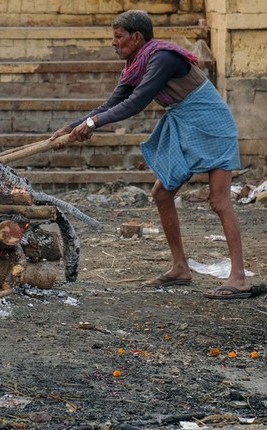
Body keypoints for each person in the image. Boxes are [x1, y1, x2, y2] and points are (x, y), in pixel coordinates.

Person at [50, 9, 256, 299]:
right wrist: (72, 127)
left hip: (211, 124)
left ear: (136, 37)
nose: (114, 43)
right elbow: (114, 101)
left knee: (219, 201)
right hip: (183, 122)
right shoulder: (136, 64)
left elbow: (137, 102)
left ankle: (239, 279)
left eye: (118, 37)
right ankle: (180, 268)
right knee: (161, 194)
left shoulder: (162, 58)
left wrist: (92, 124)